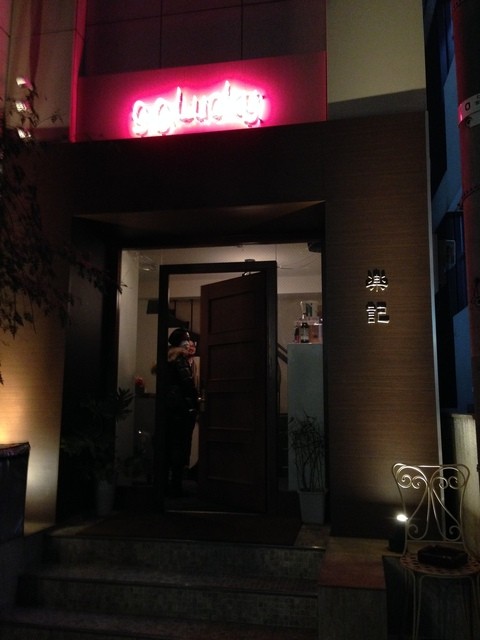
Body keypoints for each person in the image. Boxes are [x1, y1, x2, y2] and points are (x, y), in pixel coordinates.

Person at [164, 328, 199, 496]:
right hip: (182, 409)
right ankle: (176, 485)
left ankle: (166, 483)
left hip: (170, 409)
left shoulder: (168, 359)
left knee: (170, 445)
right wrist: (195, 404)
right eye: (187, 340)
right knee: (180, 446)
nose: (189, 343)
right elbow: (188, 385)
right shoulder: (180, 360)